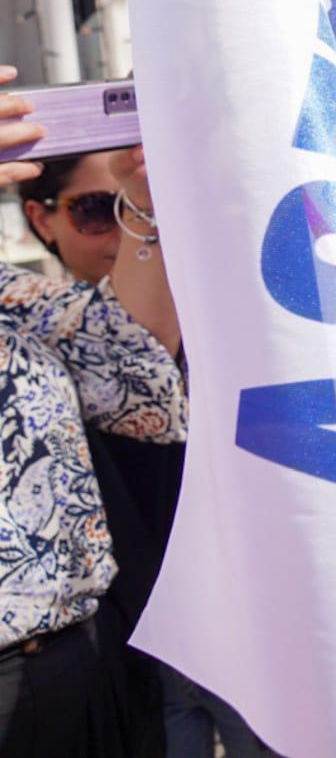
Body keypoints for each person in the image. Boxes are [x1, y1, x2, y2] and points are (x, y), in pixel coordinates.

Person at [22, 155, 267, 758]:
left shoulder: (232, 311)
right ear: (41, 218)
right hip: (120, 641)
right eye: (98, 210)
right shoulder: (27, 327)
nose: (129, 221)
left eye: (149, 204)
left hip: (243, 623)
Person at [0, 71, 187, 758]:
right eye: (91, 209)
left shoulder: (18, 301)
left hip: (88, 659)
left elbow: (133, 369)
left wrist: (144, 199)